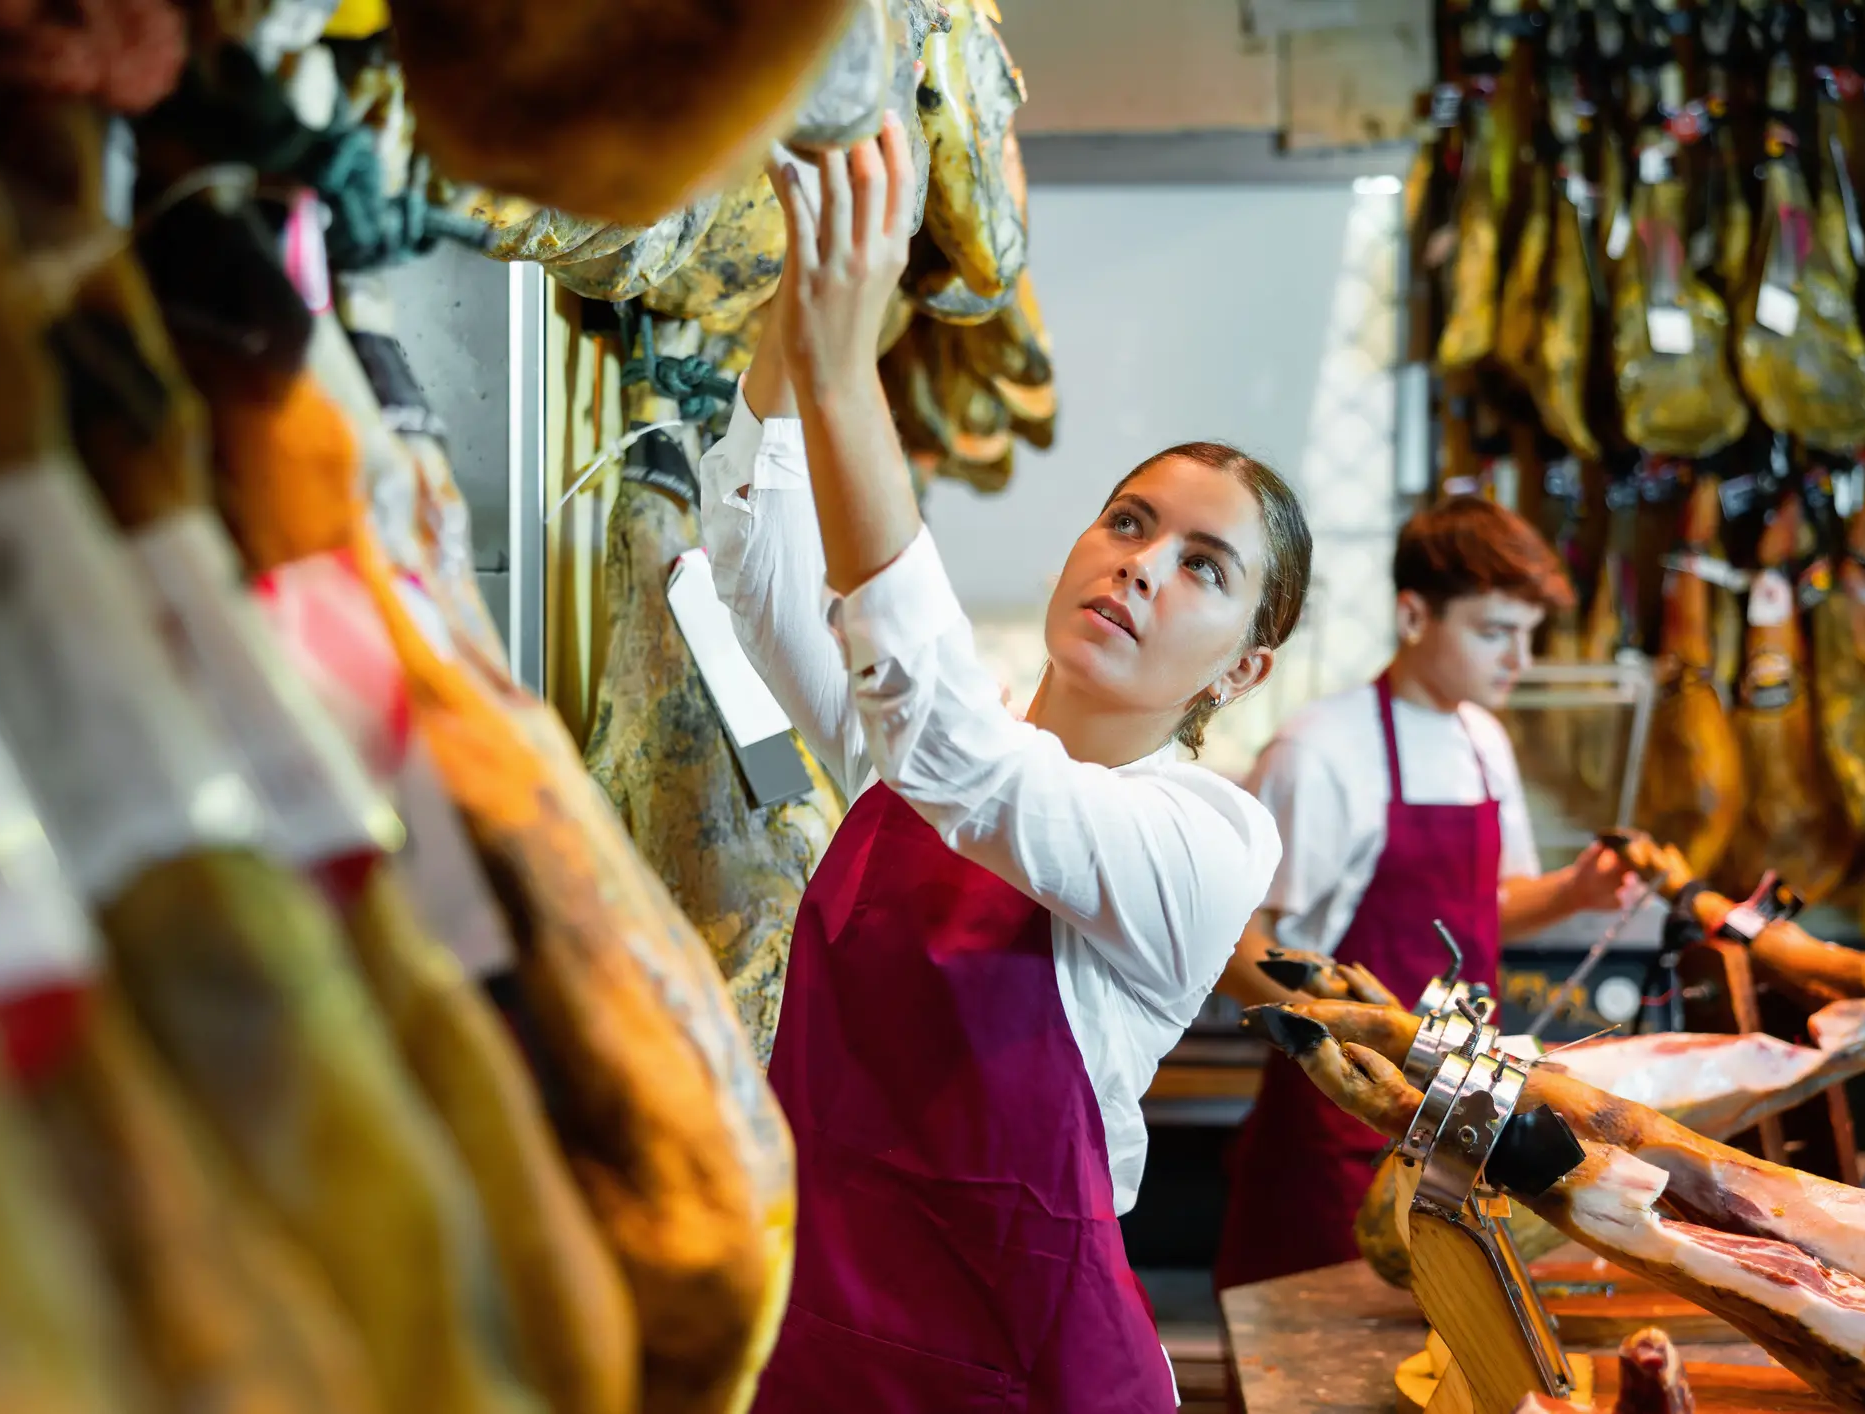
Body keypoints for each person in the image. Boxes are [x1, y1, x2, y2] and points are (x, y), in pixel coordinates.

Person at [701, 117, 1312, 1412]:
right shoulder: (914, 753)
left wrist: (849, 371)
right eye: (1129, 522)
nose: (1142, 564)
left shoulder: (1203, 839)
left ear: (1240, 671)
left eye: (1204, 567)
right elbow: (753, 563)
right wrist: (796, 296)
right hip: (821, 1350)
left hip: (1024, 1379)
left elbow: (962, 759)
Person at [1210, 495, 1636, 1294]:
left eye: (1527, 634)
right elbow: (1239, 946)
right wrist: (1355, 1046)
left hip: (1463, 1115)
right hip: (1337, 1120)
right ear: (1413, 615)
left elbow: (1484, 907)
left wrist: (1577, 891)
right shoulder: (1321, 749)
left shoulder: (1482, 740)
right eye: (1493, 632)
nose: (1519, 658)